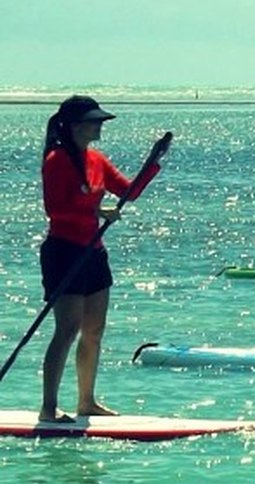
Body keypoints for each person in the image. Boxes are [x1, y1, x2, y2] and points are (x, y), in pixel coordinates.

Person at [39, 95, 166, 422]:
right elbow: (56, 209)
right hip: (64, 252)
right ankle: (49, 408)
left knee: (94, 329)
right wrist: (96, 209)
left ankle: (87, 402)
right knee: (67, 329)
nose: (99, 126)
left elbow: (129, 191)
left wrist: (153, 162)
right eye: (94, 121)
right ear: (76, 126)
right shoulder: (57, 160)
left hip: (93, 253)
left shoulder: (96, 159)